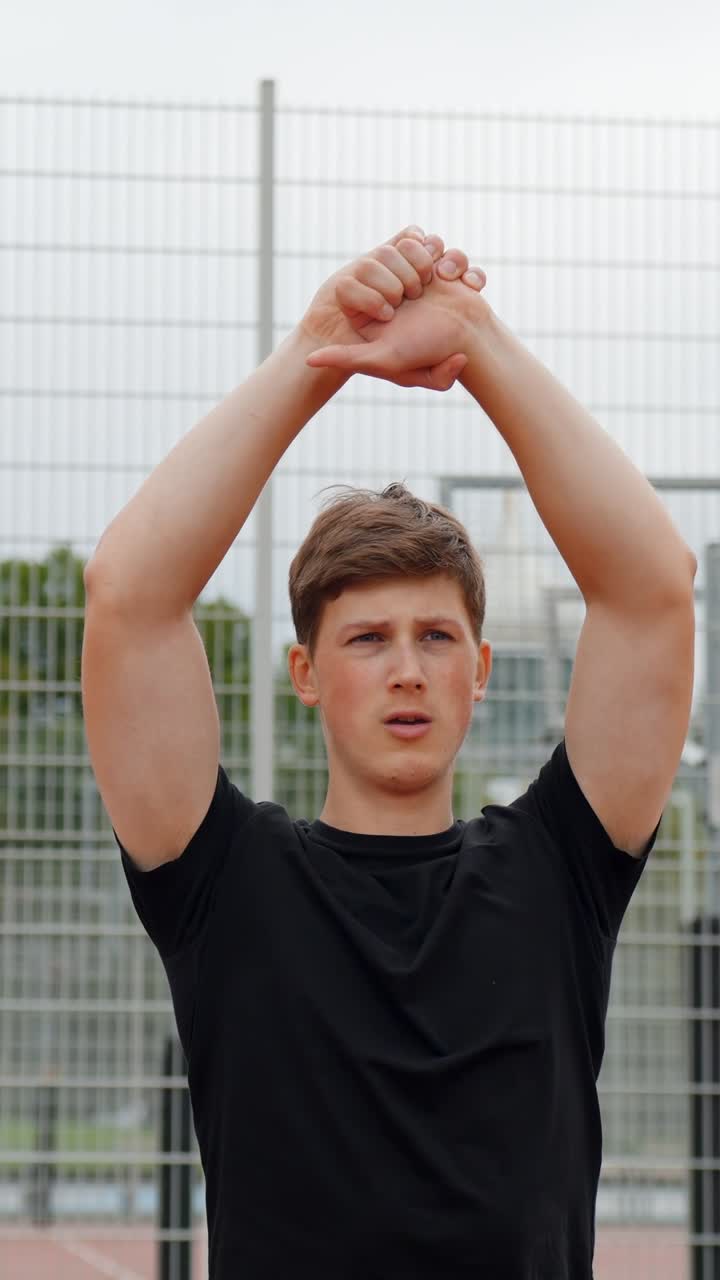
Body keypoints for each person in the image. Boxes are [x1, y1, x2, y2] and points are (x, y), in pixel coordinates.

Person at [81, 226, 696, 1279]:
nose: (407, 668)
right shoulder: (223, 877)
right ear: (307, 671)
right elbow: (131, 597)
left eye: (436, 637)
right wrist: (316, 352)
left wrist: (478, 340)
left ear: (482, 668)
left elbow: (652, 586)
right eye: (367, 639)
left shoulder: (561, 865)